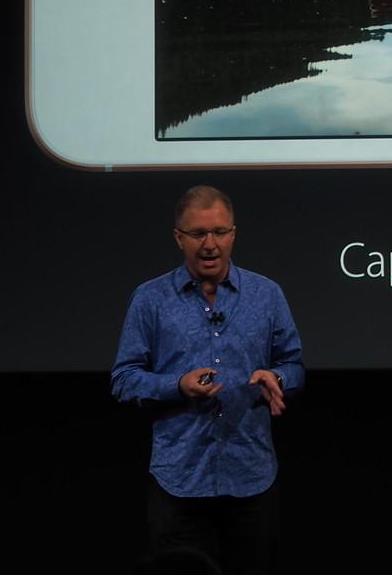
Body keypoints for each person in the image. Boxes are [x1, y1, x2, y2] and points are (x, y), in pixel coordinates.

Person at [111, 185, 304, 575]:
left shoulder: (266, 295)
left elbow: (294, 365)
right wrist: (176, 385)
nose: (210, 244)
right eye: (198, 233)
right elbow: (124, 379)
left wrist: (277, 377)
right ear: (178, 238)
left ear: (234, 234)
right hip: (179, 481)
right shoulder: (150, 300)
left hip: (251, 478)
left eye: (219, 232)